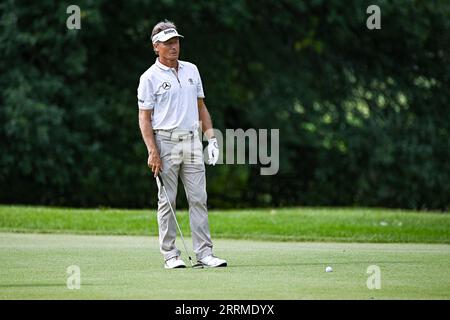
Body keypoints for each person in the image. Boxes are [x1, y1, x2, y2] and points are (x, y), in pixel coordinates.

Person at [137, 20, 227, 269]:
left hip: (192, 141)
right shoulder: (149, 78)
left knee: (199, 198)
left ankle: (205, 253)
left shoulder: (192, 70)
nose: (174, 46)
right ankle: (170, 255)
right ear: (156, 46)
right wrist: (152, 151)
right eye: (167, 43)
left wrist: (212, 139)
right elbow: (144, 118)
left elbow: (201, 108)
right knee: (168, 200)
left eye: (175, 41)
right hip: (165, 142)